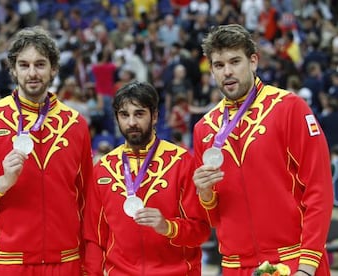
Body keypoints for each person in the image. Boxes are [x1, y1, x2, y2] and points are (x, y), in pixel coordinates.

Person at [0, 26, 94, 276]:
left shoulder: (76, 124)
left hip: (66, 263)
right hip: (8, 265)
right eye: (24, 65)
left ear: (54, 69)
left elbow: (89, 204)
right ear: (13, 70)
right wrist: (1, 184)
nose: (32, 73)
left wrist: (90, 266)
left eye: (40, 64)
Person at [192, 24, 333, 276]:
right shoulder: (204, 129)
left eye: (235, 61)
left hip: (293, 260)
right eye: (219, 65)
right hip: (235, 267)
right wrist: (204, 194)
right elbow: (213, 216)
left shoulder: (289, 108)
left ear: (253, 61)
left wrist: (307, 267)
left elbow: (319, 189)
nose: (227, 72)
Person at [84, 81, 211, 275]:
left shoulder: (182, 162)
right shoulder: (103, 169)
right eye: (124, 115)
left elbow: (200, 231)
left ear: (154, 117)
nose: (132, 122)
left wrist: (168, 226)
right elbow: (94, 238)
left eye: (139, 113)